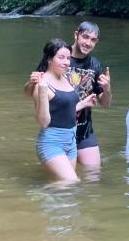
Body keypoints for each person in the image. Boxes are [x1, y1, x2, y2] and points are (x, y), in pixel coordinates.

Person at [27, 20, 111, 168]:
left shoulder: (95, 65)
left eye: (93, 40)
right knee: (68, 181)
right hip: (58, 128)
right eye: (85, 37)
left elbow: (104, 103)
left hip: (84, 129)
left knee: (93, 175)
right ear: (76, 35)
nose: (88, 43)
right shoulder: (58, 56)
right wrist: (31, 83)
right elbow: (33, 89)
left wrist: (107, 89)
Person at [32, 39, 98, 183]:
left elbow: (63, 110)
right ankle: (36, 194)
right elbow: (43, 122)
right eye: (61, 58)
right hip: (52, 142)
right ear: (49, 59)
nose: (66, 62)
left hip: (71, 141)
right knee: (71, 182)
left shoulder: (65, 78)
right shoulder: (42, 84)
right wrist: (42, 91)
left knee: (63, 188)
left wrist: (83, 104)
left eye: (68, 58)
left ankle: (48, 202)